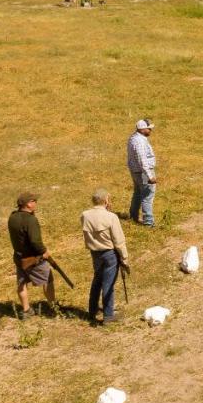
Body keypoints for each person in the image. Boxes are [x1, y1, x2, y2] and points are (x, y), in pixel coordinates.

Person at [81, 189, 128, 325]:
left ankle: (92, 311)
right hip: (110, 254)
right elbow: (119, 241)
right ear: (106, 201)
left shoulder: (85, 215)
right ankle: (108, 315)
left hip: (95, 253)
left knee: (97, 280)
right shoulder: (111, 217)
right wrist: (124, 259)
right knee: (108, 284)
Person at [7, 192, 55, 319]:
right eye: (34, 201)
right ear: (28, 204)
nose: (36, 203)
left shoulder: (12, 217)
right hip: (33, 258)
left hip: (19, 257)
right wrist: (43, 251)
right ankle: (53, 308)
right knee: (48, 279)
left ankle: (26, 310)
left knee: (22, 284)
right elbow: (35, 241)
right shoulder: (30, 220)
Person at [126, 118, 157, 227]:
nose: (150, 130)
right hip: (143, 172)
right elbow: (142, 160)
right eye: (149, 129)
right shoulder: (139, 142)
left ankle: (133, 216)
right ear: (143, 129)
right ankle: (149, 222)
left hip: (135, 171)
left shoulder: (133, 137)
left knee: (137, 193)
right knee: (147, 195)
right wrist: (150, 176)